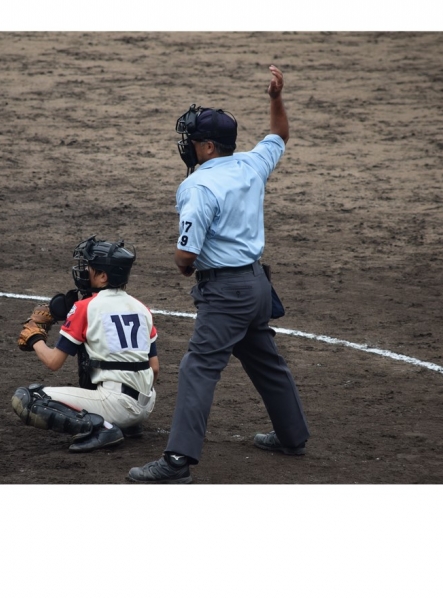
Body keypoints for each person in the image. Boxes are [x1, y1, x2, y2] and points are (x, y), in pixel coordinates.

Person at [128, 65, 309, 484]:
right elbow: (280, 135)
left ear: (208, 146)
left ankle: (177, 461)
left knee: (198, 368)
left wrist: (183, 265)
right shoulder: (251, 163)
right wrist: (276, 98)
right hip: (257, 287)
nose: (186, 146)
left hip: (226, 294)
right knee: (266, 361)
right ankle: (292, 437)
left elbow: (185, 254)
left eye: (192, 140)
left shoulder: (198, 187)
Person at [11, 236, 159, 453]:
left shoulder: (86, 307)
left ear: (103, 276)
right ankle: (129, 424)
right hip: (146, 405)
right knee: (100, 356)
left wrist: (35, 337)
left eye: (89, 267)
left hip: (117, 405)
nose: (83, 270)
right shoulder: (142, 308)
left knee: (28, 399)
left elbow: (53, 362)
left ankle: (103, 428)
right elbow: (154, 368)